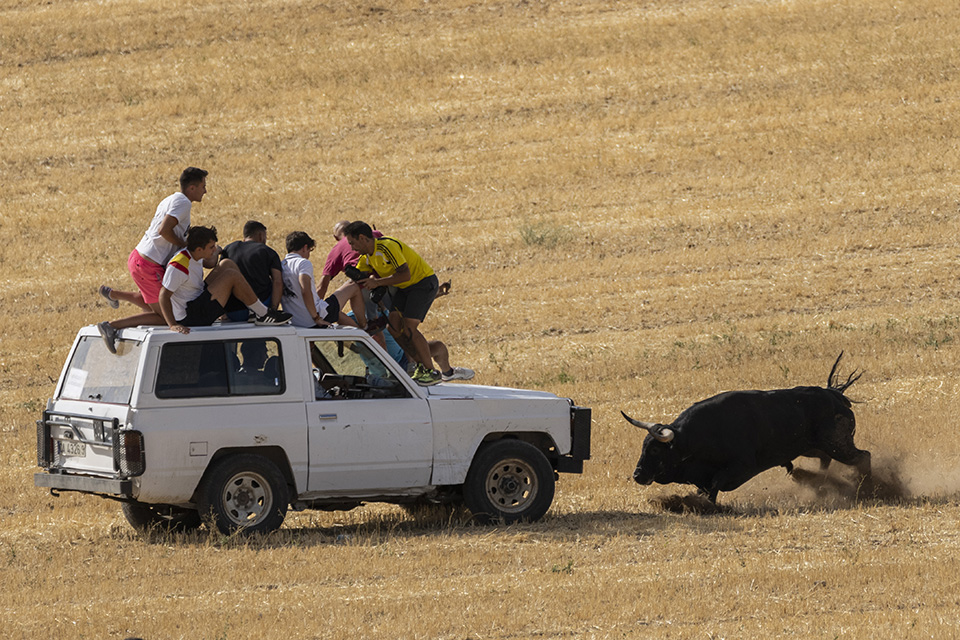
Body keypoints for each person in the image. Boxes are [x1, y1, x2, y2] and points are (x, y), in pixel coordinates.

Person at [97, 226, 291, 353]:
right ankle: (263, 314)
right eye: (211, 247)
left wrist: (217, 254)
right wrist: (172, 324)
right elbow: (164, 294)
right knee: (231, 275)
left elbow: (213, 262)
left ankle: (259, 311)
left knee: (227, 264)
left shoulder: (193, 256)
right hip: (193, 314)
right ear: (199, 250)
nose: (214, 250)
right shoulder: (180, 264)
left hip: (197, 300)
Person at [343, 221, 443, 386]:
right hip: (405, 289)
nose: (352, 248)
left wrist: (377, 282)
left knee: (409, 327)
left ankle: (431, 371)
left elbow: (405, 275)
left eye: (353, 243)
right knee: (394, 327)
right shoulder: (366, 257)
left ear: (362, 237)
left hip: (422, 283)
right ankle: (420, 366)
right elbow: (359, 277)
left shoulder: (386, 246)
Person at [99, 167, 208, 313]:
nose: (205, 191)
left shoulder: (170, 199)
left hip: (140, 258)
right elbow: (163, 230)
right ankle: (111, 326)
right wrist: (185, 245)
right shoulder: (183, 203)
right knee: (166, 315)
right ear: (192, 188)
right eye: (203, 186)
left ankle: (113, 294)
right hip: (149, 264)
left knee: (157, 307)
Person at [280, 231, 365, 329]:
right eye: (309, 250)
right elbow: (305, 291)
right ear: (305, 247)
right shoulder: (303, 263)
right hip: (313, 318)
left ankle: (359, 334)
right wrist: (316, 317)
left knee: (335, 311)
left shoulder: (282, 266)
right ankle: (365, 325)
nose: (308, 255)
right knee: (352, 285)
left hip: (295, 321)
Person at [220, 220, 283, 322]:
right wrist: (273, 309)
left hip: (233, 311)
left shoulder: (229, 249)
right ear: (260, 235)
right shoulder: (268, 251)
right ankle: (269, 314)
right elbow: (278, 282)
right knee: (275, 281)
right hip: (261, 309)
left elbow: (220, 279)